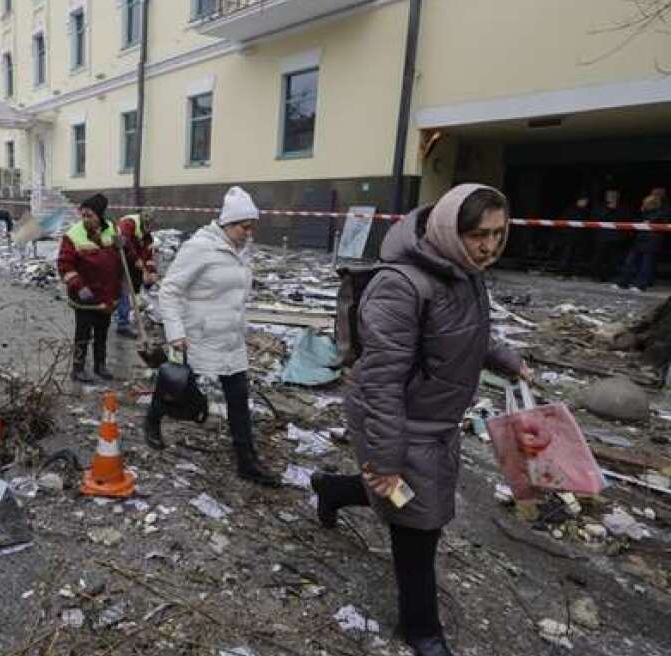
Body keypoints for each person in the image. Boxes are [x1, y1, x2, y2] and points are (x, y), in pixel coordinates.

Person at [310, 184, 530, 656]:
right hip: (396, 419)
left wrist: (507, 359)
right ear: (452, 230)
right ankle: (422, 630)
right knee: (417, 523)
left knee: (403, 499)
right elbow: (381, 383)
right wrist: (386, 458)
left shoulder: (465, 273)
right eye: (478, 234)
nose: (490, 246)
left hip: (434, 419)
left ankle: (330, 488)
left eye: (498, 233)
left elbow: (466, 334)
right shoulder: (401, 285)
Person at [144, 187, 279, 487]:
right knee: (177, 384)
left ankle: (247, 461)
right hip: (198, 336)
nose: (249, 233)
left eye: (251, 227)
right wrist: (176, 333)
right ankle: (153, 418)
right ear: (228, 223)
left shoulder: (242, 250)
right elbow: (170, 290)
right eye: (244, 227)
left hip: (230, 339)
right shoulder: (199, 248)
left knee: (238, 398)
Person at [57, 194, 121, 383]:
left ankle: (100, 366)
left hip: (106, 294)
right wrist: (78, 286)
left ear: (99, 216)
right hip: (84, 296)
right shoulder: (73, 235)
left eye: (89, 216)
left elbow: (123, 258)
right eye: (83, 215)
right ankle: (78, 369)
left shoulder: (112, 230)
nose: (85, 219)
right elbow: (64, 265)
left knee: (102, 332)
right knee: (83, 334)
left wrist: (123, 246)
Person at [114, 212, 158, 339]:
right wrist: (136, 259)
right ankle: (122, 324)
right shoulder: (128, 224)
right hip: (119, 260)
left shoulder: (148, 237)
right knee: (124, 290)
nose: (149, 231)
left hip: (133, 265)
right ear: (145, 223)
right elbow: (124, 244)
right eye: (148, 228)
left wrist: (151, 271)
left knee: (140, 286)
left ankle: (137, 309)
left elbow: (148, 256)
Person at [616, 189, 669, 291]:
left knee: (646, 264)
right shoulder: (645, 212)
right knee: (630, 261)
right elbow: (638, 221)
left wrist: (649, 221)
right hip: (641, 239)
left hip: (652, 240)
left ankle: (640, 285)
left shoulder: (663, 210)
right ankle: (623, 282)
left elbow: (661, 221)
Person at [589, 188, 628, 282]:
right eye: (610, 195)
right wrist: (610, 209)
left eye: (614, 195)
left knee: (613, 259)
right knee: (599, 257)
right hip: (602, 237)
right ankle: (596, 275)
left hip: (617, 238)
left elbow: (626, 219)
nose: (612, 197)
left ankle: (610, 276)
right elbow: (595, 218)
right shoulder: (599, 207)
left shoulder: (623, 208)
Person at [550, 191, 591, 276]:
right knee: (566, 255)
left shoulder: (585, 211)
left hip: (578, 237)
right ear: (578, 201)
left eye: (586, 201)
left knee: (574, 255)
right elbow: (563, 223)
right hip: (568, 236)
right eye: (583, 201)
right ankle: (561, 272)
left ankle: (570, 272)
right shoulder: (570, 210)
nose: (585, 203)